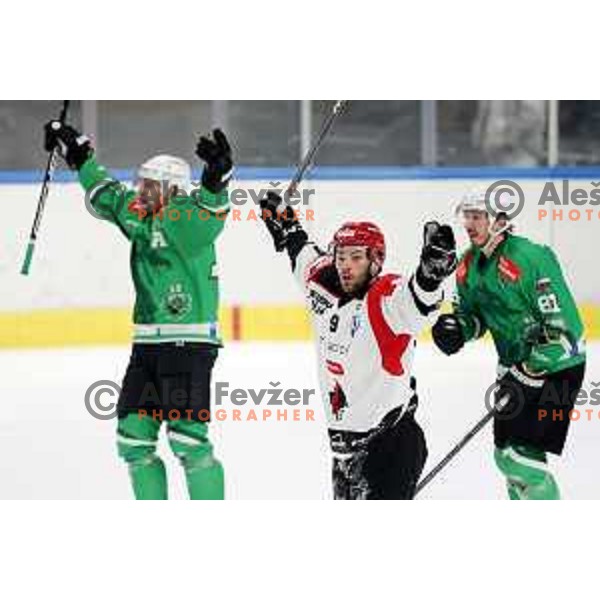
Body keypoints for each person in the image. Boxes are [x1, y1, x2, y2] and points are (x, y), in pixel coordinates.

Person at [44, 120, 233, 500]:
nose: (140, 190)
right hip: (146, 348)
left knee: (188, 442)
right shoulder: (138, 211)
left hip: (188, 346)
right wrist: (77, 152)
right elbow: (107, 194)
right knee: (132, 440)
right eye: (140, 182)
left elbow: (211, 210)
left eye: (149, 185)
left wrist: (217, 180)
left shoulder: (187, 217)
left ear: (173, 190)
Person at [259, 192, 457, 499]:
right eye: (340, 256)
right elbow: (302, 252)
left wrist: (430, 277)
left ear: (376, 261)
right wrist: (286, 222)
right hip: (344, 453)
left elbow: (417, 303)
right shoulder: (320, 282)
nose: (345, 265)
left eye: (356, 257)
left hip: (391, 446)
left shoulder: (385, 297)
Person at [432, 192, 586, 500]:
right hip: (513, 368)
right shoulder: (467, 265)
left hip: (558, 369)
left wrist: (531, 369)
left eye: (477, 216)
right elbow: (473, 317)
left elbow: (566, 329)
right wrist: (458, 329)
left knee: (512, 458)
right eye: (467, 216)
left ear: (499, 222)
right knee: (514, 456)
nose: (469, 224)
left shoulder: (530, 257)